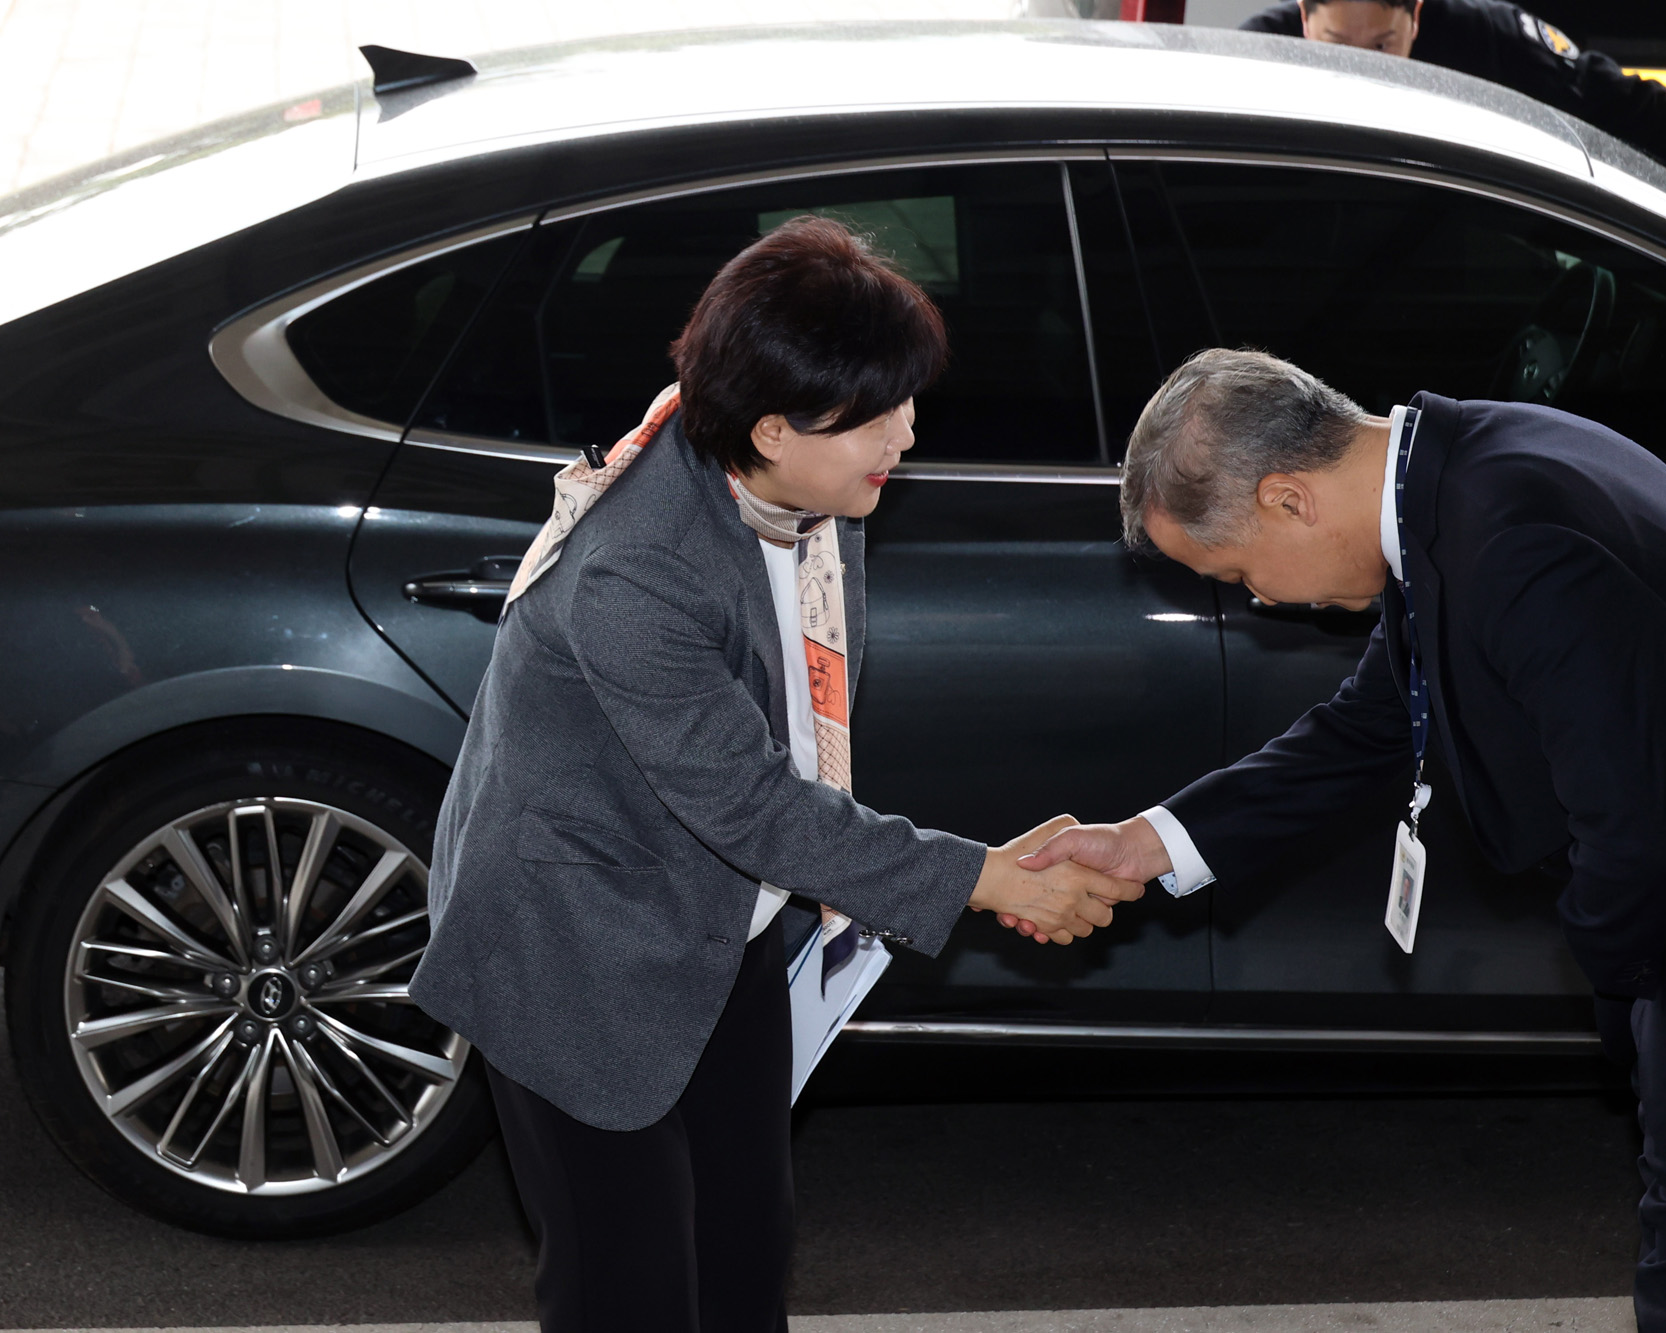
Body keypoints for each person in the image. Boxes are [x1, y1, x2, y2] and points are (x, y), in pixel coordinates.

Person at [1008, 348, 1666, 1331]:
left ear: (1287, 501)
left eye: (1234, 572)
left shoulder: (1516, 540)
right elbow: (1375, 720)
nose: (1258, 599)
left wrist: (1621, 982)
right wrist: (1149, 843)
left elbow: (1634, 827)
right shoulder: (1456, 473)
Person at [409, 216, 1143, 1333]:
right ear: (770, 426)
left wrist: (977, 864)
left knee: (745, 1256)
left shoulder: (805, 490)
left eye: (903, 399)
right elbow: (745, 801)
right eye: (875, 413)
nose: (903, 431)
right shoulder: (641, 568)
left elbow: (798, 731)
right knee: (630, 1292)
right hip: (574, 943)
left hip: (719, 921)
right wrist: (981, 879)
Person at [1238, 0, 1666, 180]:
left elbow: (1617, 104)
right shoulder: (1251, 61)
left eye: (1382, 47)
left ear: (1416, 17)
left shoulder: (1490, 40)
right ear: (1303, 16)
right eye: (1337, 45)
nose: (1359, 71)